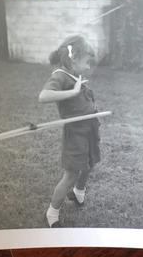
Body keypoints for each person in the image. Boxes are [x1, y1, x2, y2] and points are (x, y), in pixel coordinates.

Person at [38, 35, 101, 227]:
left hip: (89, 128)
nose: (89, 67)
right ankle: (52, 213)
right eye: (87, 63)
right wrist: (73, 92)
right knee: (71, 174)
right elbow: (44, 96)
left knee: (89, 164)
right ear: (73, 59)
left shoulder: (74, 74)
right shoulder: (60, 75)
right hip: (75, 134)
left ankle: (78, 193)